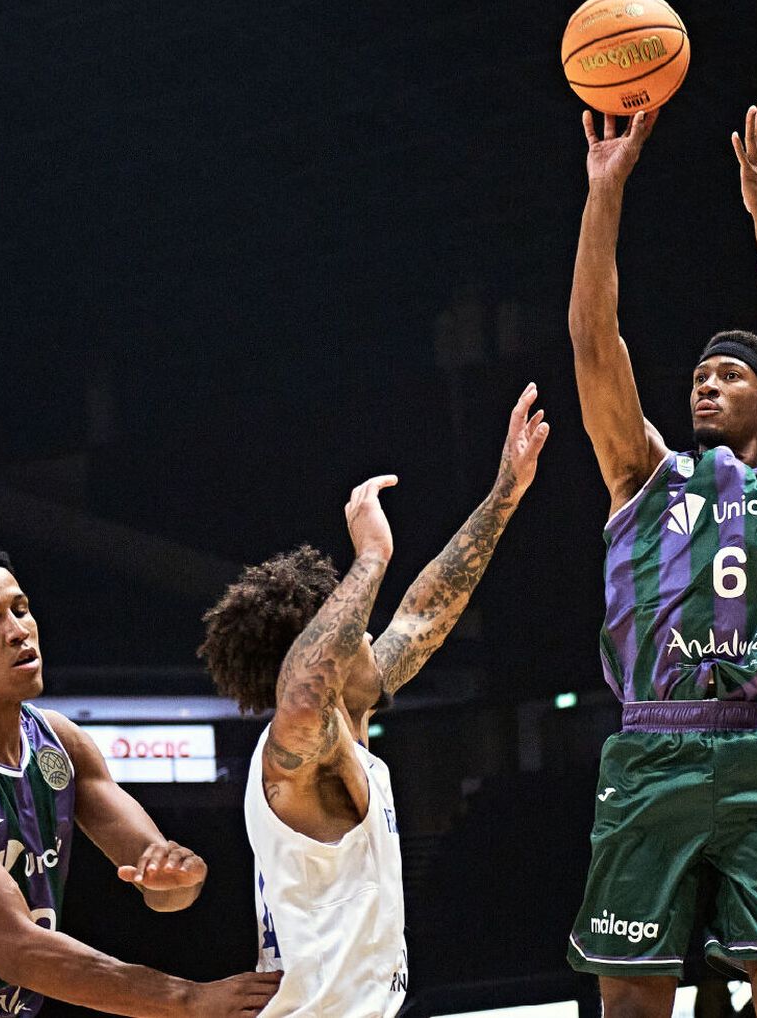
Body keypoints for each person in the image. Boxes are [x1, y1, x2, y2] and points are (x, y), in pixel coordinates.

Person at [562, 96, 757, 1018]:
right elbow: (593, 343)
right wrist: (603, 195)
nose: (707, 382)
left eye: (730, 375)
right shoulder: (644, 473)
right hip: (650, 743)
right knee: (631, 1004)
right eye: (700, 376)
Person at [198, 385, 550, 1016]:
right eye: (349, 629)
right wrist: (372, 556)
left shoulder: (342, 729)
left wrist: (505, 494)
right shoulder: (296, 756)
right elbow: (304, 691)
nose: (367, 633)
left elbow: (425, 613)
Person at [0, 544, 279, 1017]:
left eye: (21, 609)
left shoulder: (62, 743)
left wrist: (178, 879)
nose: (18, 631)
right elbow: (18, 952)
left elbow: (162, 889)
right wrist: (188, 999)